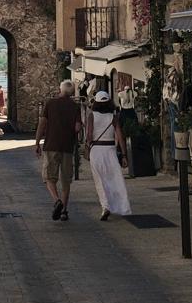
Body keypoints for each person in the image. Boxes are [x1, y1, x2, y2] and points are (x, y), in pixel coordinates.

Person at [35, 80, 82, 221]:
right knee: (66, 180)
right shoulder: (75, 106)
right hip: (67, 147)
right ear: (72, 92)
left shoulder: (50, 103)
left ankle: (57, 201)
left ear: (59, 89)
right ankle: (64, 211)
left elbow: (42, 124)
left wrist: (37, 142)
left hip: (51, 145)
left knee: (49, 177)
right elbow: (77, 128)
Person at [86, 91, 131, 221]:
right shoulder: (113, 117)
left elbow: (89, 135)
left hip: (96, 150)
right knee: (115, 179)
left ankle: (105, 206)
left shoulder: (91, 116)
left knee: (100, 180)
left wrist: (87, 146)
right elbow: (120, 136)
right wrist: (124, 154)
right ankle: (122, 206)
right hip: (110, 149)